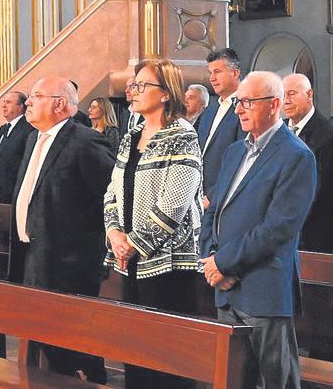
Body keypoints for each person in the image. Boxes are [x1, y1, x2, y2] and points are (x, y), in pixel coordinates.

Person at [200, 71, 315, 389]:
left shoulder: (296, 156)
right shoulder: (234, 152)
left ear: (274, 104)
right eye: (238, 101)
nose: (238, 109)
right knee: (234, 380)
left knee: (275, 380)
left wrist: (225, 264)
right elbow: (214, 210)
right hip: (224, 288)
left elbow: (278, 228)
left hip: (263, 287)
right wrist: (210, 259)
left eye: (247, 101)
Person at [9, 77, 115, 384]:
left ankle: (90, 378)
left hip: (69, 260)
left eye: (36, 96)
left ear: (59, 103)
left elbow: (109, 195)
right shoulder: (34, 138)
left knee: (73, 339)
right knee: (42, 331)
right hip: (33, 252)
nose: (28, 102)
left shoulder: (85, 140)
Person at [104, 60, 202, 388]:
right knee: (137, 349)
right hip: (130, 259)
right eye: (133, 85)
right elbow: (112, 190)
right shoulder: (131, 136)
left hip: (169, 263)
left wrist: (133, 243)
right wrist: (114, 233)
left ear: (164, 94)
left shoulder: (182, 135)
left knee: (167, 357)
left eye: (142, 85)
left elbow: (175, 203)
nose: (133, 90)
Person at [282, 73, 333, 253]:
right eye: (283, 95)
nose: (286, 100)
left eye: (292, 94)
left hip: (311, 230)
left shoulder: (329, 133)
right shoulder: (280, 128)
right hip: (279, 227)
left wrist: (286, 217)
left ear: (309, 95)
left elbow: (319, 187)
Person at [195, 48, 245, 258]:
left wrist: (212, 196)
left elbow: (240, 159)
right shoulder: (211, 110)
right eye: (210, 72)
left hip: (223, 201)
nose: (212, 78)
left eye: (218, 72)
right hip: (199, 199)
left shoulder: (244, 107)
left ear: (235, 73)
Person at [0, 92, 33, 204]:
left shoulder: (28, 129)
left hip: (17, 187)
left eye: (9, 102)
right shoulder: (3, 128)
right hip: (1, 186)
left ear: (20, 107)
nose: (4, 106)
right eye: (4, 102)